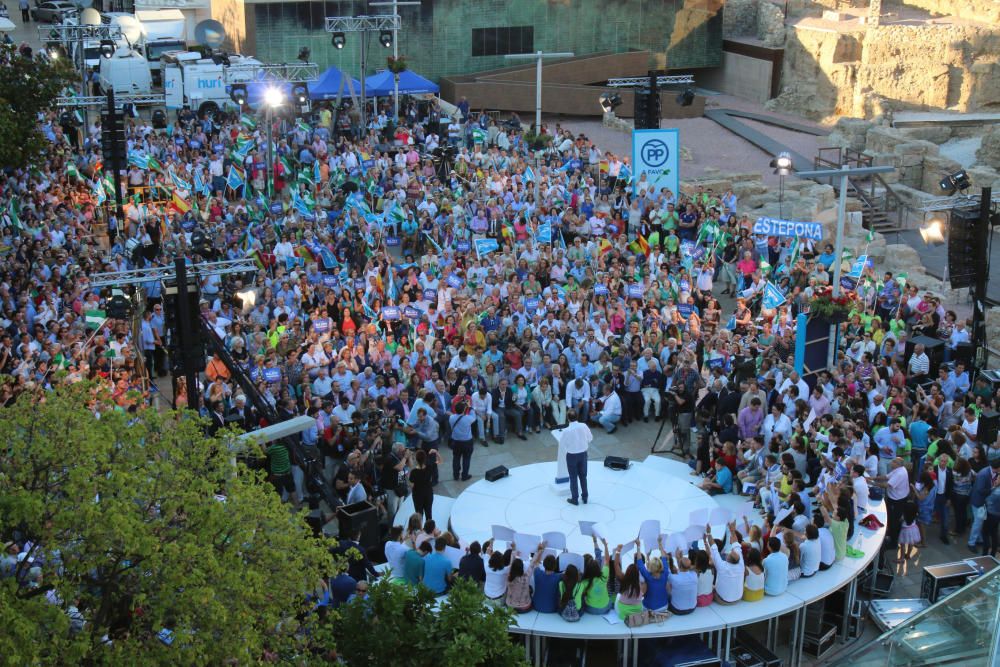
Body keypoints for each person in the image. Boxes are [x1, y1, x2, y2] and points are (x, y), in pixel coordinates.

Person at [556, 409, 592, 505]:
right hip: (583, 454)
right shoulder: (583, 426)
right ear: (577, 416)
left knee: (573, 477)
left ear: (568, 418)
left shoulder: (566, 431)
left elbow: (562, 444)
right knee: (583, 476)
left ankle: (575, 499)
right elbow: (590, 438)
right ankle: (585, 497)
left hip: (572, 456)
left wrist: (570, 447)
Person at [506, 541, 546, 612]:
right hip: (524, 607)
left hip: (510, 605)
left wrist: (514, 549)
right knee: (530, 589)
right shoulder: (526, 576)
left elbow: (511, 563)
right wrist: (539, 551)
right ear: (522, 568)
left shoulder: (509, 575)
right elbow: (533, 563)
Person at [612, 543, 646, 620]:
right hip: (637, 611)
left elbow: (616, 565)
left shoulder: (623, 579)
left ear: (627, 572)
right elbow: (643, 595)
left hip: (623, 612)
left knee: (617, 597)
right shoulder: (642, 584)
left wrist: (618, 551)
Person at [581, 536, 612, 614]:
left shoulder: (584, 582)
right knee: (610, 600)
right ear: (598, 568)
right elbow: (607, 560)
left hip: (591, 609)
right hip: (605, 607)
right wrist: (605, 546)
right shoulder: (604, 577)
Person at [449, 401, 477, 481]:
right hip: (467, 442)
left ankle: (456, 475)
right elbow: (474, 416)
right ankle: (465, 475)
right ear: (464, 409)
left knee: (456, 458)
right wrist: (470, 407)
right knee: (466, 459)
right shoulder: (468, 418)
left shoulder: (451, 418)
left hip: (456, 441)